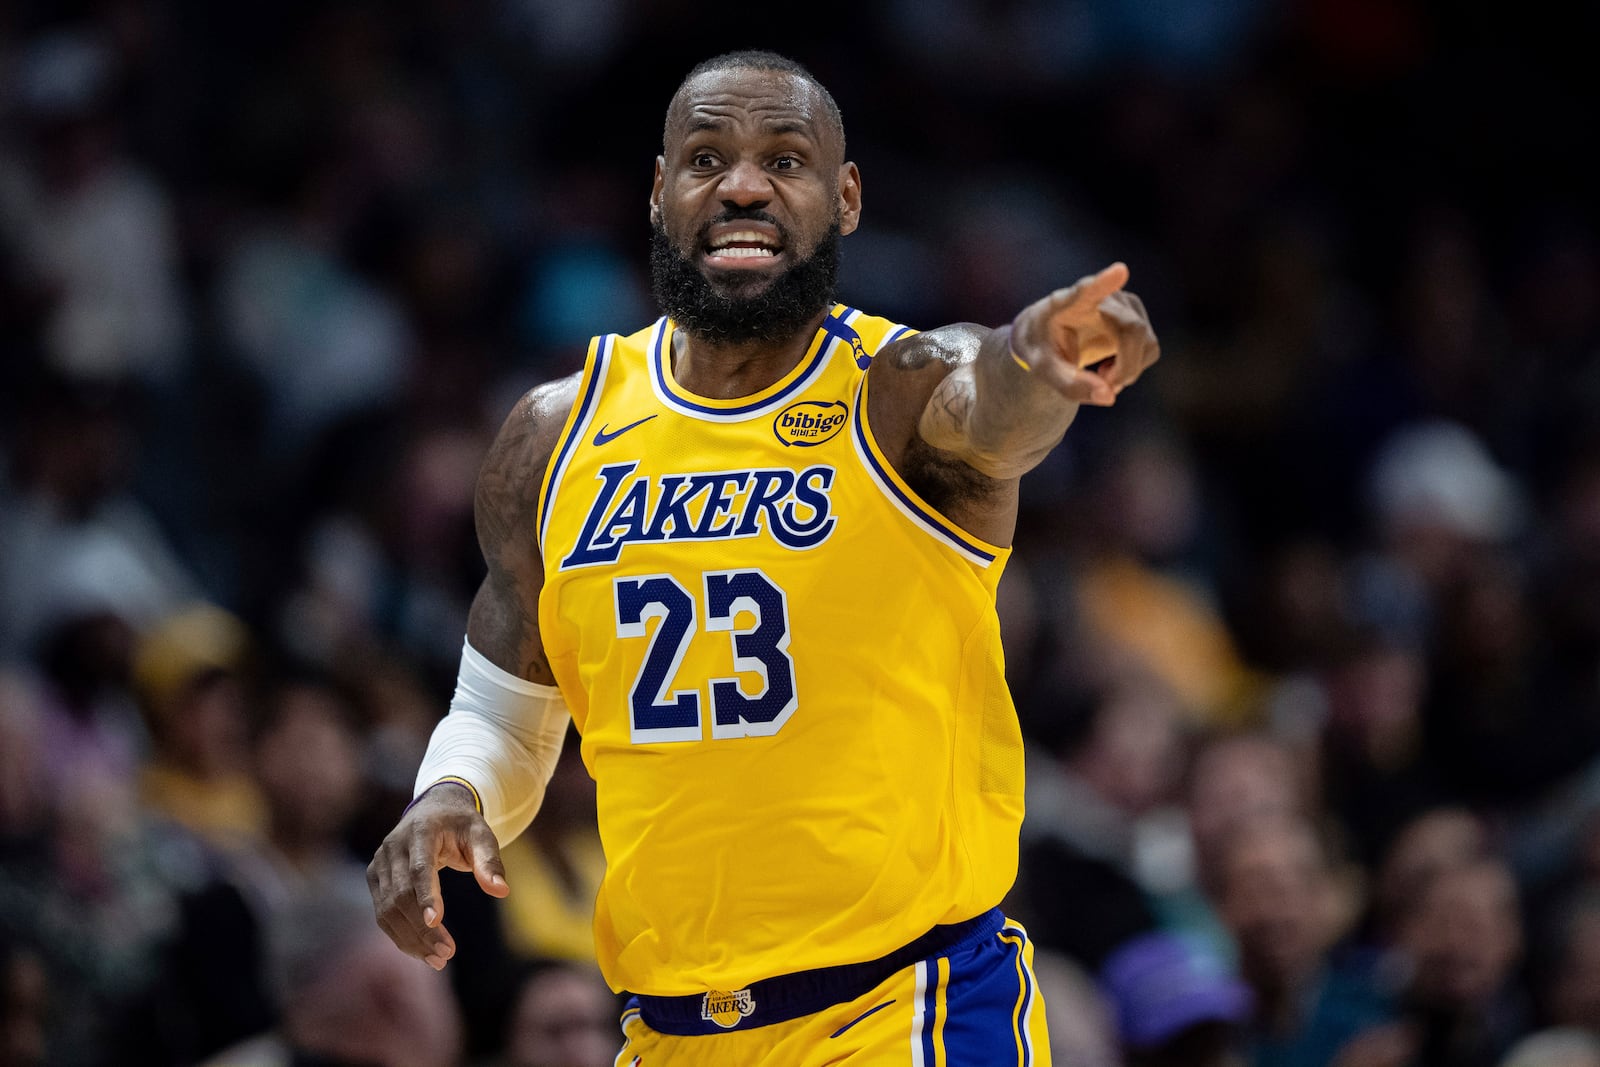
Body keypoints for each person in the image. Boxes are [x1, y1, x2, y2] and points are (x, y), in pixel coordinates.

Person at [367, 49, 1160, 1064]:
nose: (742, 185)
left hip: (901, 1008)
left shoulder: (899, 388)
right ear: (660, 194)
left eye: (785, 160)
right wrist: (452, 793)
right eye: (707, 158)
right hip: (672, 1028)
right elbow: (505, 709)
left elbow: (992, 405)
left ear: (847, 198)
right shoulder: (553, 436)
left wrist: (1037, 362)